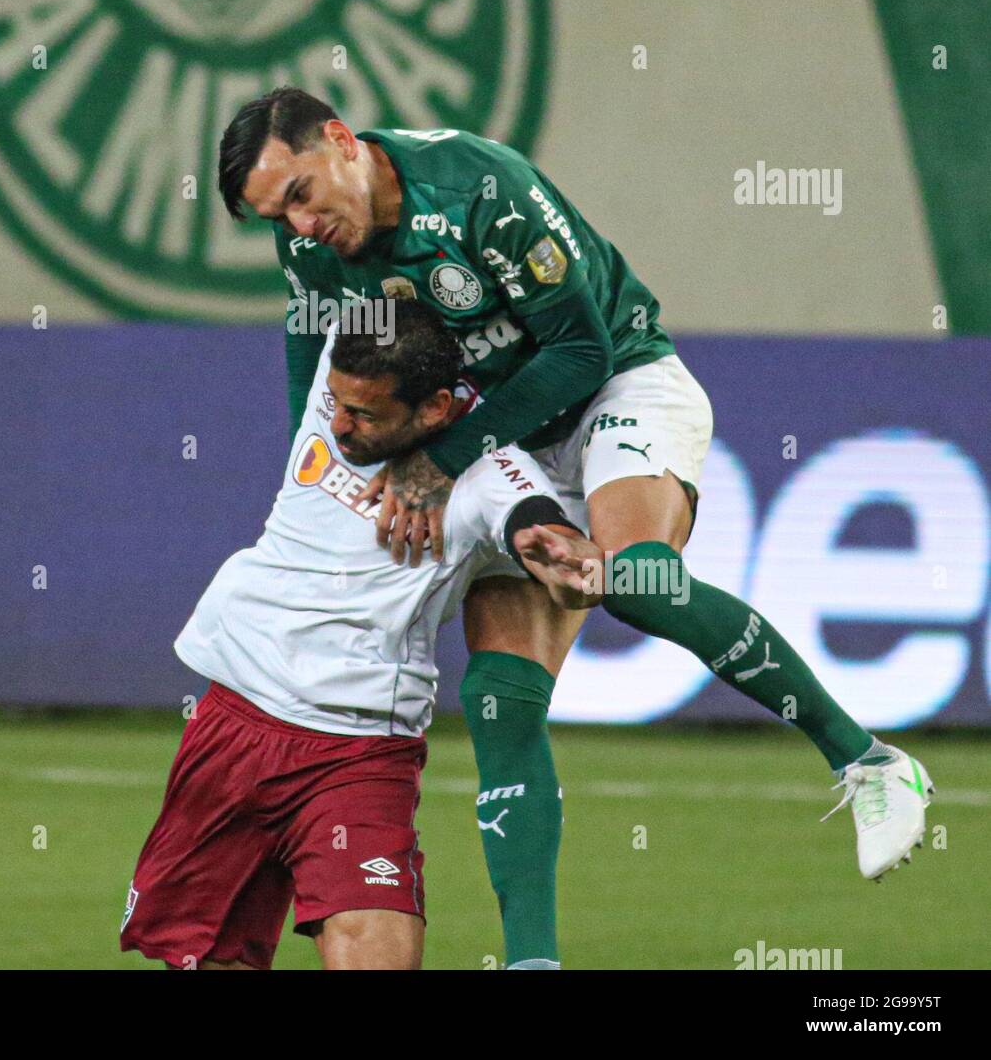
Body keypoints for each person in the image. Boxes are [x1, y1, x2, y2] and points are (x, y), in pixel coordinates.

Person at [216, 87, 935, 938]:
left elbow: (581, 348)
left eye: (299, 194)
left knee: (634, 583)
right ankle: (533, 962)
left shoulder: (482, 191)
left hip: (612, 388)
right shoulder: (314, 249)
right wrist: (321, 476)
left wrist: (441, 460)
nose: (297, 225)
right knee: (499, 697)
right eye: (276, 215)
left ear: (341, 140)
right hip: (499, 433)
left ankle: (870, 760)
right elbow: (320, 364)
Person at [120, 300, 586, 970]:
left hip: (359, 752)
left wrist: (563, 557)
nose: (335, 424)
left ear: (432, 410)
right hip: (233, 718)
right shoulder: (346, 353)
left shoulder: (487, 475)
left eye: (364, 415)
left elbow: (536, 522)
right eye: (334, 403)